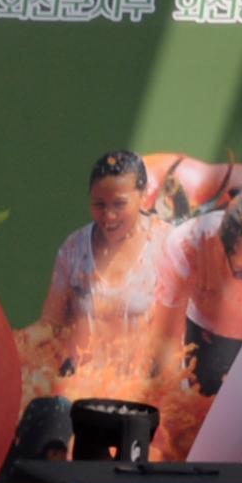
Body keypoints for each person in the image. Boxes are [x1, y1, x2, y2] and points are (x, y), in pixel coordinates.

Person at [151, 190, 242, 395]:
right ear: (221, 249)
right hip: (211, 338)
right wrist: (170, 399)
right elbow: (167, 337)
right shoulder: (187, 246)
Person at [38, 147, 166, 344]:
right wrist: (15, 342)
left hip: (148, 373)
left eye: (119, 204)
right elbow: (51, 325)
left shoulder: (169, 245)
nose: (108, 216)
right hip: (82, 371)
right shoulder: (73, 249)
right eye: (99, 204)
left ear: (143, 196)